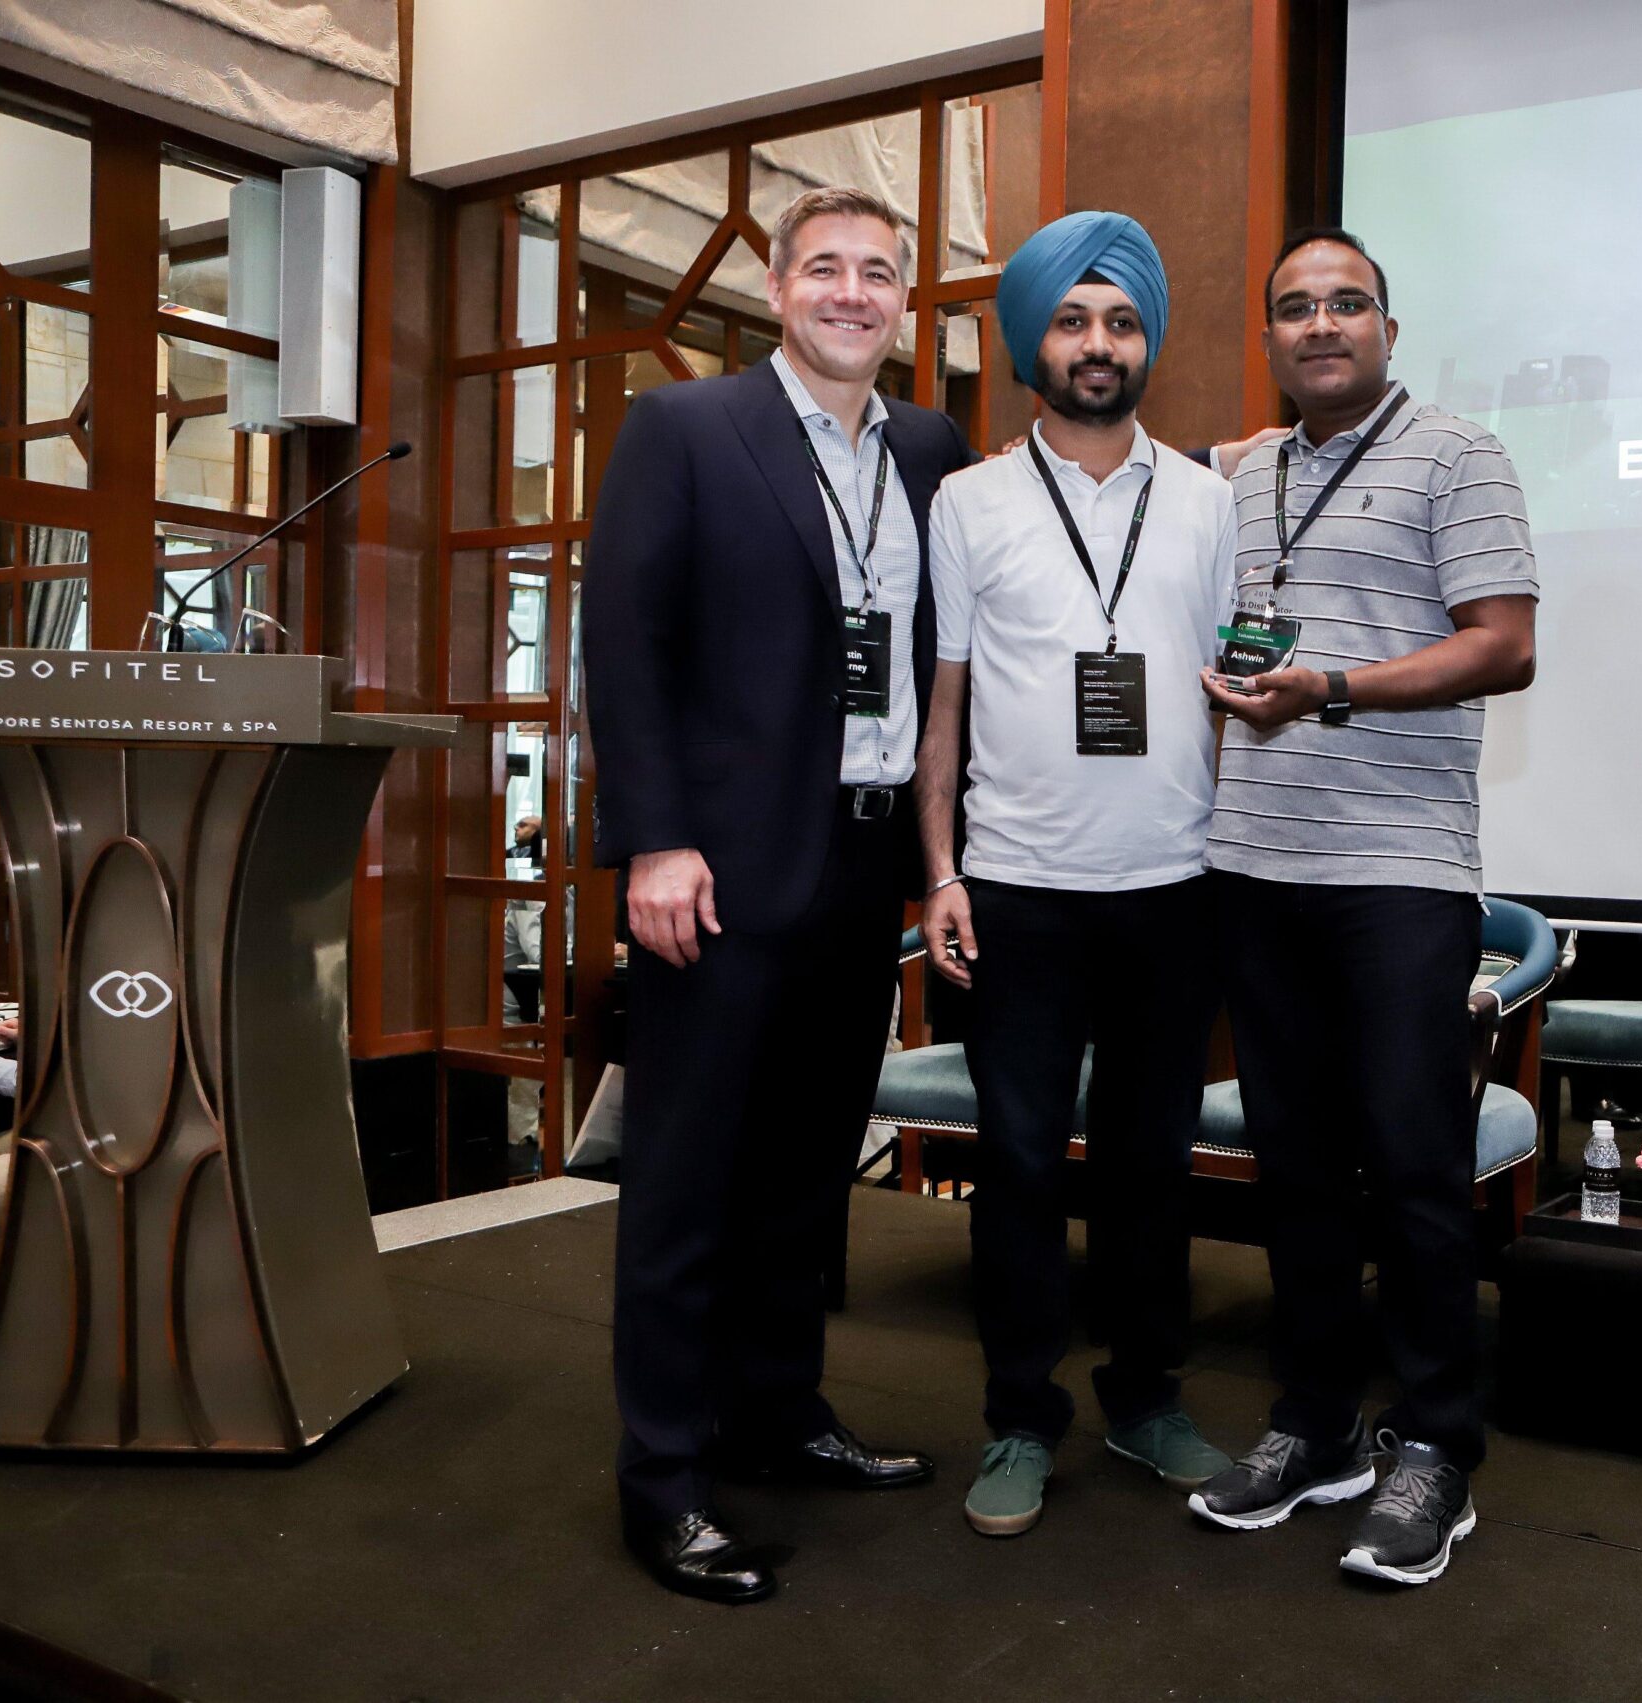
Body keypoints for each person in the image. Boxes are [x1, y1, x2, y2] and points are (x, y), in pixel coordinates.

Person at [583, 185, 969, 1605]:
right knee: (688, 1183)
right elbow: (625, 641)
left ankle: (780, 1412)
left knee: (809, 1174)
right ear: (778, 287)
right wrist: (655, 840)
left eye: (878, 273)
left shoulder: (929, 449)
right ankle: (665, 1479)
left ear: (903, 302)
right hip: (720, 871)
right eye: (825, 269)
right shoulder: (684, 427)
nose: (851, 293)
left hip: (863, 864)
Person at [1189, 227, 1538, 1586]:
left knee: (1412, 1169)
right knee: (1293, 1170)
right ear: (1270, 338)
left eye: (1348, 303)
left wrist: (1328, 687)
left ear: (1390, 328)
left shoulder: (1460, 456)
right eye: (1295, 308)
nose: (1321, 324)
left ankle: (1437, 1445)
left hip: (1399, 874)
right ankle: (1316, 1424)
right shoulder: (1245, 475)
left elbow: (1504, 645)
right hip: (1253, 863)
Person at [916, 211, 1239, 1539]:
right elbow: (942, 706)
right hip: (1018, 889)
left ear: (1147, 341)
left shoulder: (1210, 503)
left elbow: (1234, 695)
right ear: (1030, 345)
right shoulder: (968, 503)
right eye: (1071, 320)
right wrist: (939, 870)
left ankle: (1149, 1398)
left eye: (1120, 321)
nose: (1097, 343)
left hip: (1175, 885)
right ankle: (1018, 1417)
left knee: (1153, 1165)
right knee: (1019, 1167)